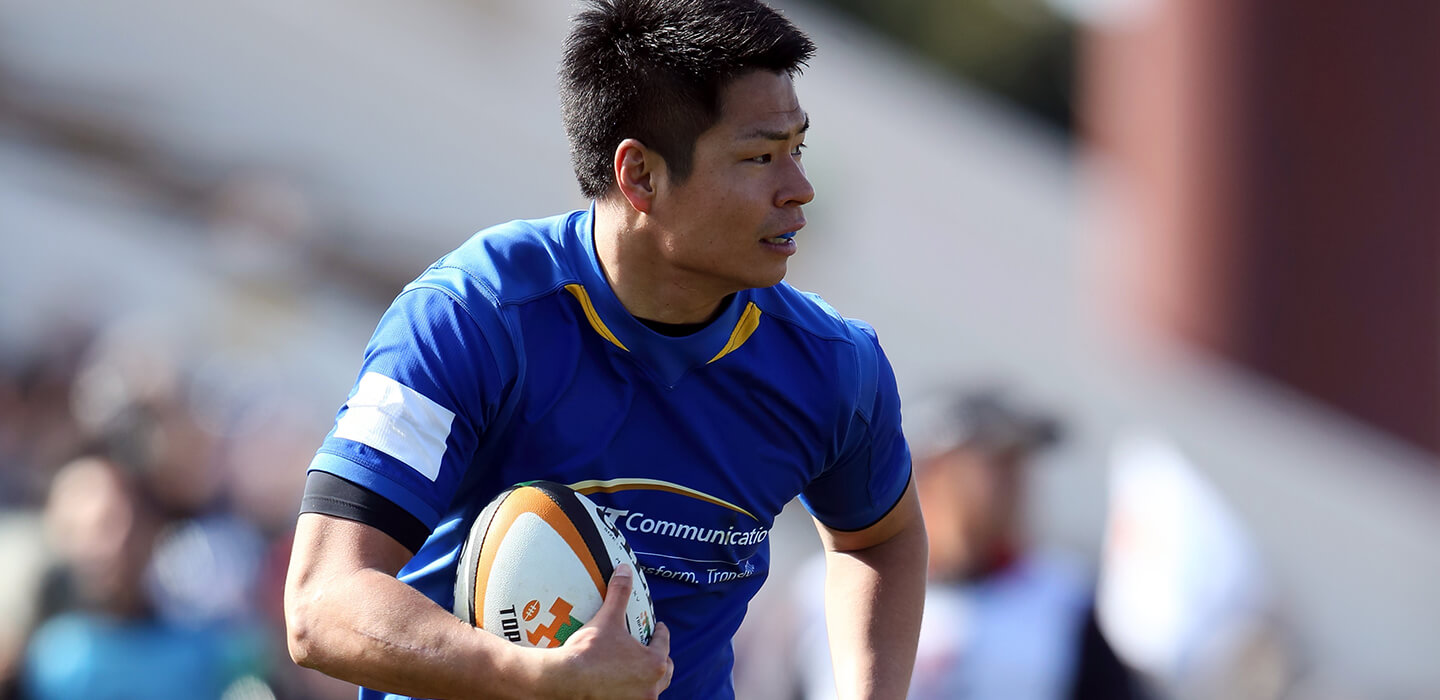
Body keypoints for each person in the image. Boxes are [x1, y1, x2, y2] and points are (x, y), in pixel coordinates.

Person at [282, 1, 928, 699]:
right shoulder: (473, 317)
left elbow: (879, 537)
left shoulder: (833, 366)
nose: (799, 189)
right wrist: (538, 679)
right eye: (760, 156)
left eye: (798, 148)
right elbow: (322, 605)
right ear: (640, 176)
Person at [782, 390, 1145, 700]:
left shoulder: (1068, 602)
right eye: (997, 464)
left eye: (1020, 466)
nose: (1016, 485)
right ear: (936, 471)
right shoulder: (828, 587)